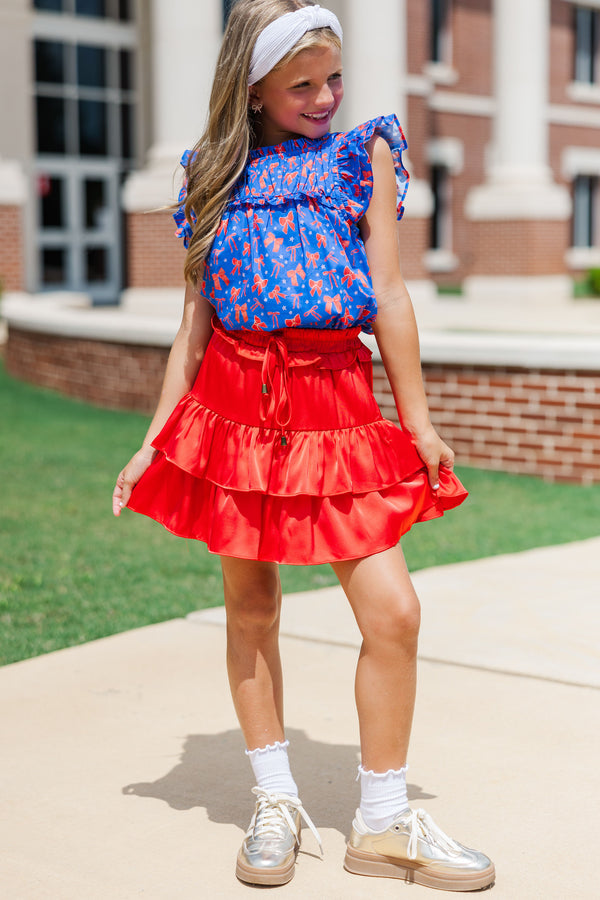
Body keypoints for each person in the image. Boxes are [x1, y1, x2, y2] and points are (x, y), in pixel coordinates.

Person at [113, 0, 495, 891]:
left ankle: (383, 819)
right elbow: (191, 327)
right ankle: (276, 799)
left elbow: (391, 297)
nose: (325, 97)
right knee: (252, 607)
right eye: (301, 85)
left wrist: (421, 422)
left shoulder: (363, 153)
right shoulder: (210, 172)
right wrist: (153, 440)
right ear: (251, 91)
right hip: (234, 405)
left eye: (333, 79)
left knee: (393, 611)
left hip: (335, 401)